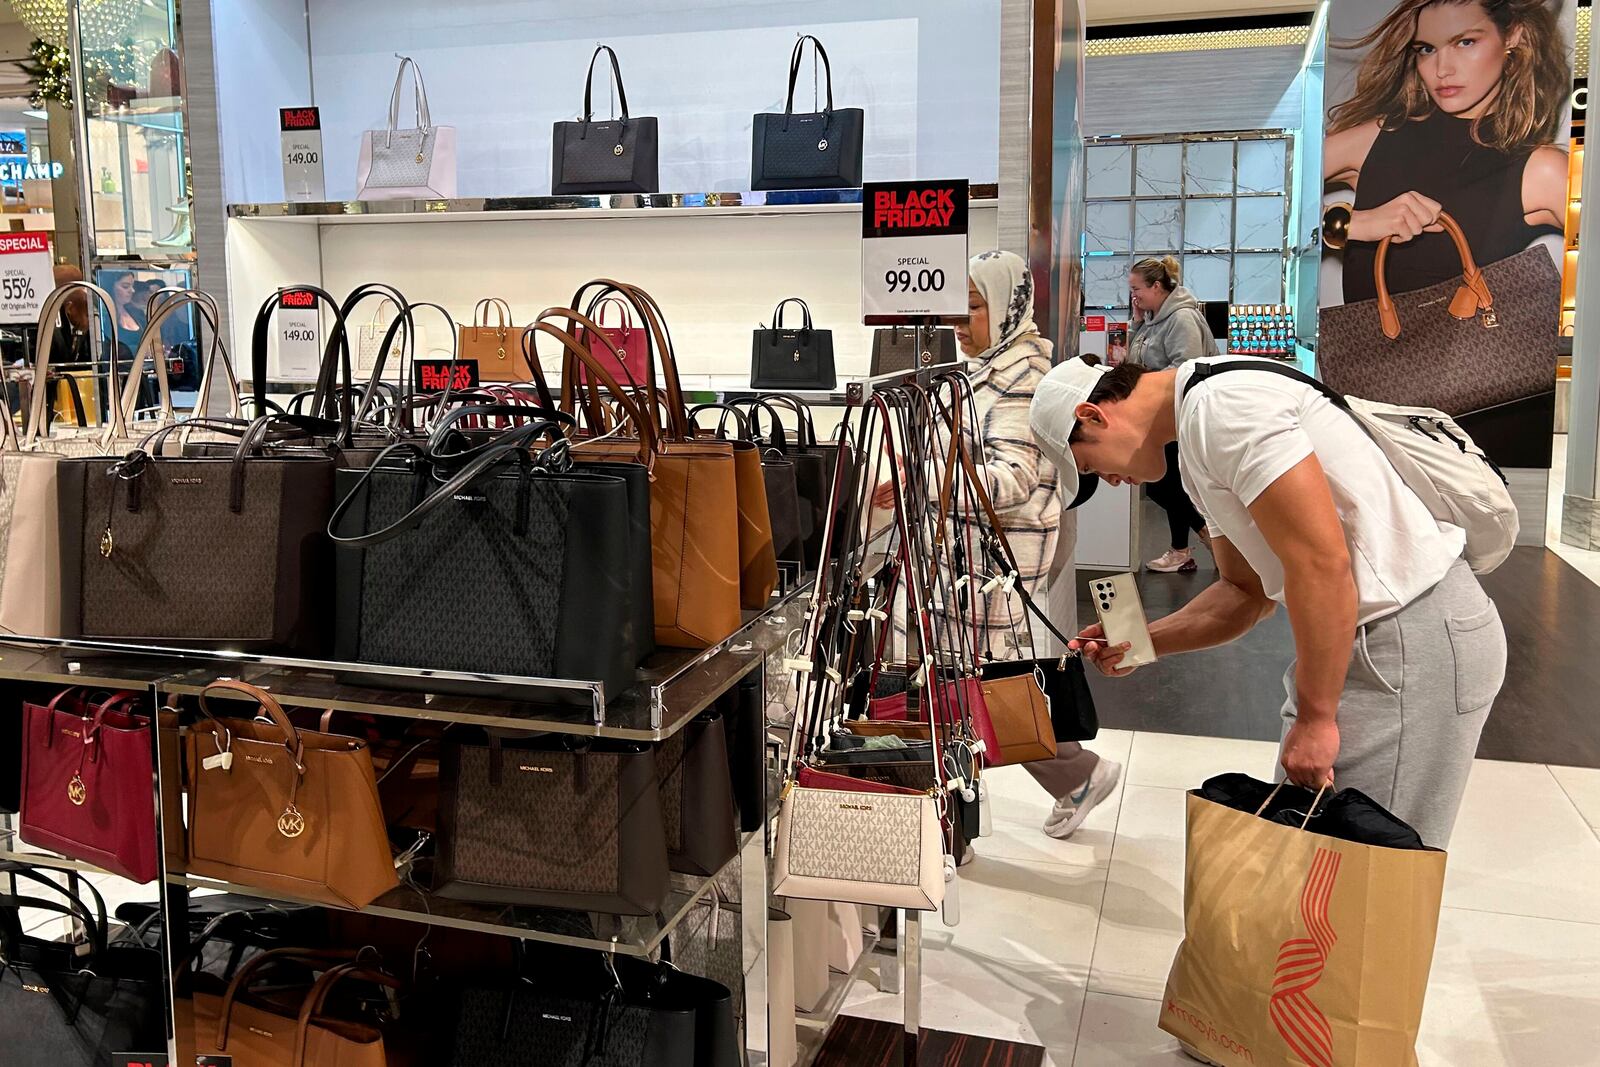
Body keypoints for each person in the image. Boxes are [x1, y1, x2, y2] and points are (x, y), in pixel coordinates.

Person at [1028, 354, 1506, 849]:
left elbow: (1320, 563)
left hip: (1407, 639)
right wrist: (1142, 641)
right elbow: (1244, 593)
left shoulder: (1221, 407)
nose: (1105, 480)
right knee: (1319, 870)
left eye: (1088, 463)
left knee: (1364, 875)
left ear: (1093, 415)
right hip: (1378, 640)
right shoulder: (1201, 423)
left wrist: (1316, 719)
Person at [876, 250, 1120, 840]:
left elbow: (1010, 481)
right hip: (968, 558)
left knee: (966, 696)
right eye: (958, 309)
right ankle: (1044, 787)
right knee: (966, 691)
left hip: (992, 561)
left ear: (1009, 306)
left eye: (976, 308)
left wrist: (921, 482)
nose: (961, 323)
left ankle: (1059, 780)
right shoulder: (988, 367)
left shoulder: (1020, 379)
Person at [1322, 0, 1568, 303]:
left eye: (1465, 42)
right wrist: (1350, 224)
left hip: (1473, 351)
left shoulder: (1539, 169)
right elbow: (1255, 195)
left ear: (1512, 36)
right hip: (1356, 351)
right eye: (1426, 49)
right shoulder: (1377, 139)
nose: (1442, 70)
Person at [1127, 256, 1215, 575]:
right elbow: (1133, 357)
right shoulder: (1153, 319)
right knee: (1167, 482)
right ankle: (1189, 545)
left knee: (1165, 483)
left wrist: (1147, 381)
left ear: (1157, 286)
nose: (1133, 295)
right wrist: (1137, 320)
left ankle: (1201, 538)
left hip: (1179, 413)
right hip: (1162, 413)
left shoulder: (1181, 319)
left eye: (1137, 289)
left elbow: (1186, 367)